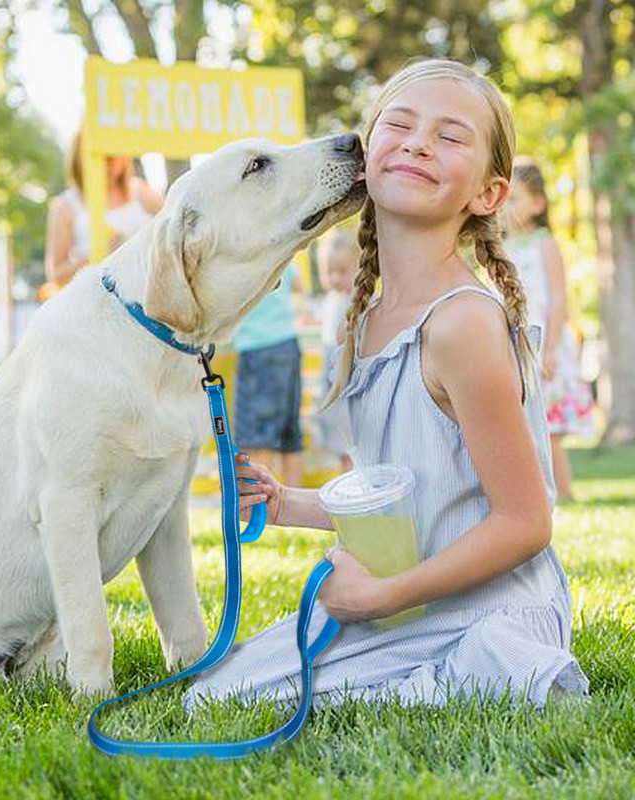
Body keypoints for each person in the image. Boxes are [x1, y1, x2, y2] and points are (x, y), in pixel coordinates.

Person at [184, 59, 589, 713]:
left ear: (487, 194)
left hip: (493, 604)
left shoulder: (463, 324)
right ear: (365, 160)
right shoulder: (364, 324)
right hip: (415, 595)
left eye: (451, 136)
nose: (420, 141)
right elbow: (401, 497)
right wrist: (286, 503)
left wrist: (381, 597)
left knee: (249, 700)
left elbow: (525, 523)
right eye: (399, 124)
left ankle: (499, 668)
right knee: (216, 695)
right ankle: (433, 672)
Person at [503, 159, 595, 502]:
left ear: (538, 204)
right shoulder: (500, 250)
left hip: (546, 346)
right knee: (523, 428)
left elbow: (558, 299)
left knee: (550, 429)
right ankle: (535, 496)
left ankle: (565, 494)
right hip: (517, 346)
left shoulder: (544, 243)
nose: (507, 207)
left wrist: (552, 348)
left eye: (515, 198)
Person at [42, 129, 163, 293]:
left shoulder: (140, 191)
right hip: (97, 296)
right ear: (81, 157)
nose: (109, 164)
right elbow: (56, 275)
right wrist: (100, 252)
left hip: (146, 290)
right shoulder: (66, 206)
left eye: (114, 156)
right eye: (102, 157)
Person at [232, 265, 305, 487]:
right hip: (288, 343)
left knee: (257, 437)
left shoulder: (242, 254)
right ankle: (295, 508)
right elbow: (298, 284)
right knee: (289, 436)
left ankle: (258, 508)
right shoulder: (281, 251)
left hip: (258, 346)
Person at [315, 228, 360, 470]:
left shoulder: (357, 301)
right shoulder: (331, 300)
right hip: (331, 381)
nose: (334, 278)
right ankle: (347, 480)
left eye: (342, 271)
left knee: (354, 439)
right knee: (340, 440)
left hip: (349, 381)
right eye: (328, 272)